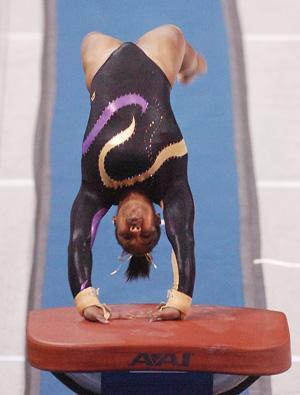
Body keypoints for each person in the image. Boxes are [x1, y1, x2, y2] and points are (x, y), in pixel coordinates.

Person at [68, 25, 207, 324]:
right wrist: (180, 301)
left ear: (114, 221)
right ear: (159, 219)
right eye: (146, 233)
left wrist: (85, 299)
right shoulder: (170, 187)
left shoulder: (97, 189)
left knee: (90, 38)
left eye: (126, 236)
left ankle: (190, 63)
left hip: (102, 61)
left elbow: (79, 238)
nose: (135, 230)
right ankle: (191, 63)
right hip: (157, 61)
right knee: (175, 36)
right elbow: (183, 237)